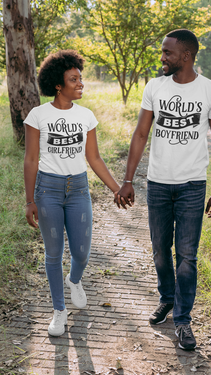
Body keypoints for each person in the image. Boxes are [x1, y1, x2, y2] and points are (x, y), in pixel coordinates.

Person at [115, 29, 211, 350]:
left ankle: (183, 320)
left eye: (167, 53)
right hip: (159, 183)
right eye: (162, 52)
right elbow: (140, 134)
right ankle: (167, 299)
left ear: (187, 56)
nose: (162, 57)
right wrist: (127, 179)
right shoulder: (155, 86)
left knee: (187, 257)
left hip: (193, 186)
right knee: (160, 250)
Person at [24, 50, 120, 337]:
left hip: (78, 188)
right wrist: (29, 200)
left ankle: (74, 280)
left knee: (81, 251)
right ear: (57, 84)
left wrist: (116, 188)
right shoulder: (38, 115)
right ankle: (59, 312)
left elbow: (94, 158)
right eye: (73, 79)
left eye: (81, 78)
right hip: (48, 190)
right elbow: (30, 160)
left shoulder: (86, 116)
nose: (81, 83)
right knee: (54, 253)